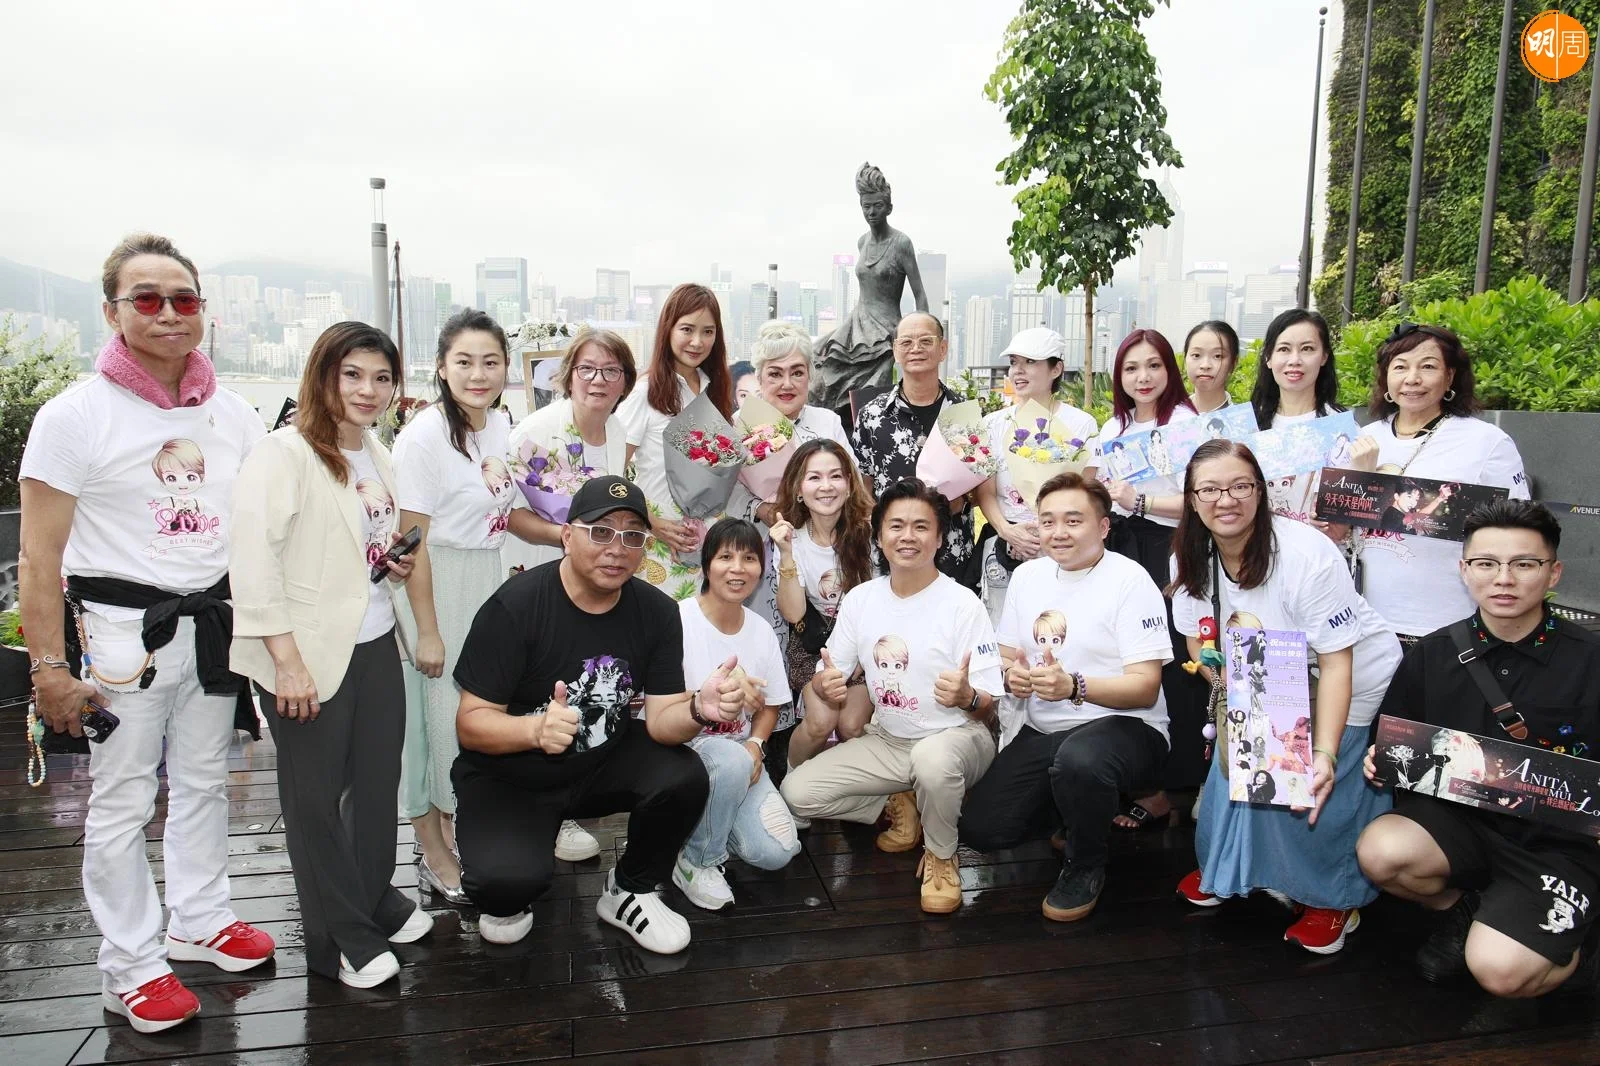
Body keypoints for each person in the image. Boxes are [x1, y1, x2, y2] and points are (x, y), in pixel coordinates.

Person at [18, 234, 275, 1033]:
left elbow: (264, 523)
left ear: (204, 311)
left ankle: (199, 918)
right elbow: (38, 556)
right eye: (148, 299)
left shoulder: (232, 414)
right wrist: (48, 668)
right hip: (120, 632)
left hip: (211, 623)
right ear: (112, 312)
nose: (168, 313)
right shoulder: (74, 416)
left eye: (184, 298)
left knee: (203, 779)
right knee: (124, 797)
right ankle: (128, 963)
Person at [230, 321, 433, 988]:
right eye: (352, 375)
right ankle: (340, 937)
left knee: (375, 788)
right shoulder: (283, 453)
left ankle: (371, 895)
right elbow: (253, 565)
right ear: (323, 376)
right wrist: (287, 663)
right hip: (305, 652)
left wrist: (392, 564)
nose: (368, 390)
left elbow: (359, 543)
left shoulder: (378, 453)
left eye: (381, 377)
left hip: (375, 640)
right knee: (314, 801)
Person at [450, 476, 723, 954]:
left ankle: (630, 889)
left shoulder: (657, 612)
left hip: (598, 761)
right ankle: (502, 850)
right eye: (600, 531)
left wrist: (699, 708)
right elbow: (470, 723)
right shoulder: (515, 606)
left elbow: (662, 721)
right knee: (503, 890)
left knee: (684, 775)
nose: (617, 548)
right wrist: (534, 729)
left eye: (633, 535)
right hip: (511, 776)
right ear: (567, 535)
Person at [1356, 500, 1599, 997]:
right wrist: (1379, 760)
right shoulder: (1433, 653)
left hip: (1558, 845)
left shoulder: (1590, 659)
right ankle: (1466, 909)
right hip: (1461, 826)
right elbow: (1392, 739)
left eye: (1524, 564)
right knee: (1382, 852)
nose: (1503, 579)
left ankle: (1572, 944)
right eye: (1487, 563)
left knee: (1501, 972)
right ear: (1465, 570)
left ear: (1553, 573)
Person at [1168, 440, 1402, 954]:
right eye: (1209, 489)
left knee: (1321, 782)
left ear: (1261, 490)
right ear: (1191, 498)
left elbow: (1338, 661)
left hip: (1347, 671)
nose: (1225, 500)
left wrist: (1325, 752)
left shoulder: (1305, 554)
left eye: (1240, 485)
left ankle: (1332, 895)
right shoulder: (1189, 556)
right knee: (1249, 766)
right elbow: (1197, 641)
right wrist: (1236, 695)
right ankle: (1231, 868)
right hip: (1262, 669)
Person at [781, 479, 1003, 914]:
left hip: (959, 737)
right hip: (891, 740)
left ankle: (942, 854)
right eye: (896, 526)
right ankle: (905, 794)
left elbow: (988, 704)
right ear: (879, 537)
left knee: (932, 763)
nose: (908, 536)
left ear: (939, 538)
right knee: (797, 792)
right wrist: (827, 685)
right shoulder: (862, 600)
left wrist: (967, 696)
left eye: (921, 527)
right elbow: (833, 672)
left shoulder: (963, 604)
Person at [960, 473, 1173, 923]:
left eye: (1073, 521)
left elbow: (1145, 686)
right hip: (1046, 729)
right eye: (1048, 521)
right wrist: (1012, 676)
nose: (1059, 532)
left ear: (1103, 526)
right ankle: (1078, 811)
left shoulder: (1130, 581)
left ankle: (1085, 863)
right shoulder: (1028, 576)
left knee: (1081, 761)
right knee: (983, 828)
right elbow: (1005, 655)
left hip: (1126, 728)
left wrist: (1074, 686)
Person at [393, 310, 544, 905]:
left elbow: (509, 513)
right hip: (437, 580)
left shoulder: (502, 426)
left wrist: (567, 533)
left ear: (506, 368)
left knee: (478, 710)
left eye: (490, 362)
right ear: (441, 368)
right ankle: (431, 847)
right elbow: (412, 542)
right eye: (464, 362)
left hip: (487, 576)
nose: (478, 374)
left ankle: (461, 827)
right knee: (435, 720)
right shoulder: (424, 437)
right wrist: (428, 631)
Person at [1083, 330, 1207, 830]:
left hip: (1171, 548)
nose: (1143, 377)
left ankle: (1177, 784)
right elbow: (1098, 488)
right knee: (1125, 655)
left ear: (1169, 370)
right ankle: (1138, 781)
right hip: (1121, 545)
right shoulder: (1113, 426)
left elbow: (1202, 496)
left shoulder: (1186, 424)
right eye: (1131, 368)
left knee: (1175, 656)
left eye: (1153, 365)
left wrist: (1140, 501)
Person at [1354, 323, 1528, 643]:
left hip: (1445, 623)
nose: (1412, 378)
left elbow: (1519, 526)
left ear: (1450, 377)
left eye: (1428, 367)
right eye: (1400, 367)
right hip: (1364, 621)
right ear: (1385, 378)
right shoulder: (1362, 439)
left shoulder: (1486, 442)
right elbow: (1341, 526)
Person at [672, 519, 801, 909]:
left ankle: (703, 823)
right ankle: (696, 861)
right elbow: (655, 703)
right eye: (725, 557)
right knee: (729, 760)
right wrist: (710, 695)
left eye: (749, 558)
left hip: (740, 758)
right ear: (706, 565)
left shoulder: (761, 630)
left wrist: (756, 744)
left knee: (778, 851)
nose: (737, 568)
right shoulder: (677, 620)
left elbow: (771, 703)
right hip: (684, 750)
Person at [731, 319, 854, 644]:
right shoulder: (740, 425)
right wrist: (762, 509)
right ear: (759, 378)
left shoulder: (827, 422)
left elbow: (852, 482)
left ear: (809, 375)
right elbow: (723, 493)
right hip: (759, 549)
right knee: (762, 642)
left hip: (824, 557)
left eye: (797, 372)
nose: (787, 383)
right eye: (775, 373)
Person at [618, 283, 735, 600]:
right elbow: (612, 468)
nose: (697, 342)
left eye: (708, 331)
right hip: (661, 541)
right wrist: (651, 521)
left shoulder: (714, 389)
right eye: (687, 329)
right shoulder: (646, 392)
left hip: (708, 541)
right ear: (667, 329)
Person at [975, 327, 1099, 624]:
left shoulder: (1081, 424)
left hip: (1061, 545)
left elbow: (1088, 493)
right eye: (1014, 362)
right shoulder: (993, 424)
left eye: (1030, 362)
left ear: (1056, 369)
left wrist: (1049, 534)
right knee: (1001, 628)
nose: (1018, 371)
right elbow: (984, 491)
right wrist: (1007, 531)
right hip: (1005, 543)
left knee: (1056, 627)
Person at [768, 439, 876, 772]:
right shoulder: (791, 539)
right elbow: (793, 613)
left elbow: (882, 601)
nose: (826, 486)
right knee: (820, 722)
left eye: (835, 476)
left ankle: (848, 790)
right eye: (814, 477)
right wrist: (787, 555)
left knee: (852, 726)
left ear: (849, 484)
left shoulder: (871, 533)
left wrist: (860, 657)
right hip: (813, 643)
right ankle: (790, 785)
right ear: (799, 489)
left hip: (863, 642)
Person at [850, 314, 976, 586]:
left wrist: (964, 499)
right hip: (892, 553)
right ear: (895, 350)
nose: (916, 348)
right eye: (906, 342)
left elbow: (982, 481)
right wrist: (880, 523)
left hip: (952, 548)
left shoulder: (964, 414)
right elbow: (862, 484)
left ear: (943, 348)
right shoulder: (872, 415)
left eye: (925, 341)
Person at [504, 326, 636, 574]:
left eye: (611, 370)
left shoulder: (617, 431)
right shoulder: (534, 433)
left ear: (625, 383)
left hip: (594, 569)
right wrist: (569, 537)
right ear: (569, 377)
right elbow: (509, 514)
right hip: (538, 564)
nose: (598, 379)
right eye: (586, 369)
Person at [810, 162, 928, 413]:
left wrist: (919, 336)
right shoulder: (862, 242)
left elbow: (920, 295)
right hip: (855, 327)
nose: (872, 212)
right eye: (866, 206)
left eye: (878, 205)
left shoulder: (901, 243)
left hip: (885, 332)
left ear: (889, 208)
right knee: (820, 372)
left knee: (874, 394)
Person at [1183, 320, 1240, 415]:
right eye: (1196, 355)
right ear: (1185, 359)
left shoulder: (1242, 420)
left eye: (1217, 356)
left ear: (1233, 363)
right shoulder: (1169, 418)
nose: (1205, 365)